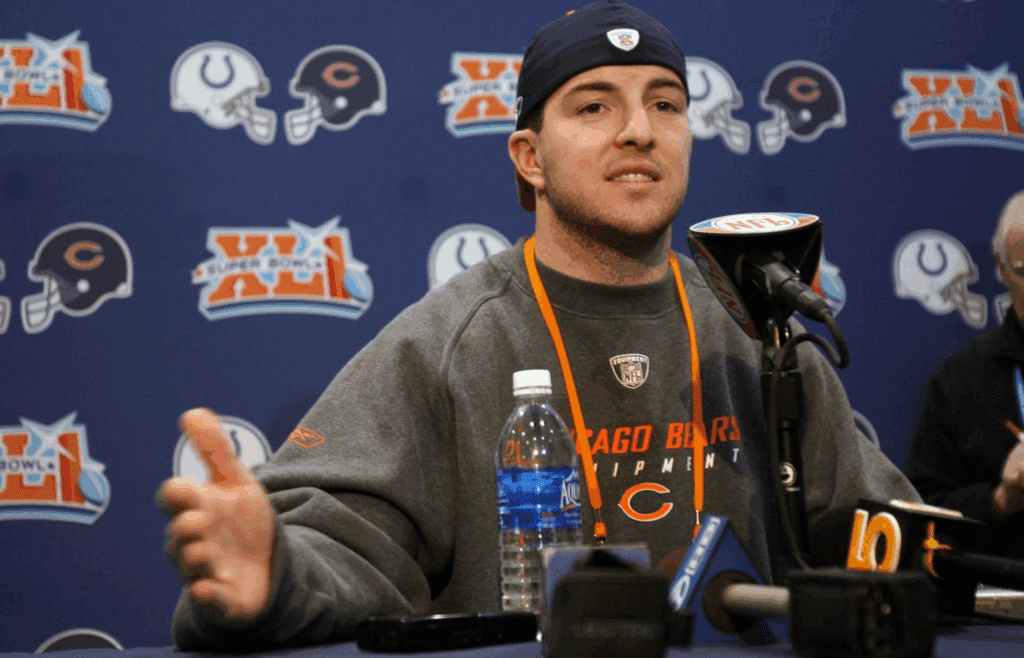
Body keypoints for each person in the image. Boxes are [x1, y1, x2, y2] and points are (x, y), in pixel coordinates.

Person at [158, 1, 921, 649]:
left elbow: (882, 532)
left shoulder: (757, 328)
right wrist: (277, 572)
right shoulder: (450, 340)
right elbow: (344, 541)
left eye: (665, 104)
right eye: (594, 106)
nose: (639, 131)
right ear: (529, 158)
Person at [906, 190, 1024, 560]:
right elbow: (923, 517)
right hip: (1002, 603)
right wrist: (1001, 499)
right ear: (1002, 270)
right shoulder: (961, 381)